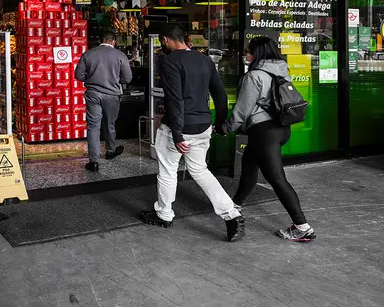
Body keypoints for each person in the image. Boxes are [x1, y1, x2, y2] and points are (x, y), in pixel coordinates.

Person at [140, 25, 245, 242]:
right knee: (200, 170)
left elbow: (175, 99)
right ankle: (231, 214)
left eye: (163, 42)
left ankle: (164, 214)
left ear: (166, 39)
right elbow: (219, 92)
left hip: (178, 128)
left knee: (168, 171)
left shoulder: (169, 62)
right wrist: (220, 121)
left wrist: (177, 133)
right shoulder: (204, 60)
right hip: (203, 125)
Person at [220, 36, 315, 242]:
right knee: (249, 164)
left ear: (257, 54)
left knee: (276, 179)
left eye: (248, 51)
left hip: (265, 133)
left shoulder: (253, 76)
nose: (245, 55)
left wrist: (226, 128)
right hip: (281, 129)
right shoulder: (282, 70)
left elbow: (241, 111)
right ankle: (235, 205)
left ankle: (302, 227)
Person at [74, 31, 132, 172]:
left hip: (93, 94)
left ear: (101, 40)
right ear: (113, 42)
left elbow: (78, 75)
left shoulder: (88, 54)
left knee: (93, 126)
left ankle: (93, 161)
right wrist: (115, 80)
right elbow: (127, 78)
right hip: (112, 95)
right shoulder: (120, 55)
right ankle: (111, 150)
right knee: (110, 124)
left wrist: (92, 78)